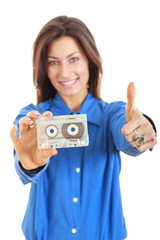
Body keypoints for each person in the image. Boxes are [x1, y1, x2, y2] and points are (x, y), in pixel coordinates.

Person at [10, 16, 157, 240]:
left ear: (90, 60)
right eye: (53, 62)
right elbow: (24, 152)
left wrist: (141, 131)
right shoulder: (32, 118)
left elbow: (127, 130)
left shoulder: (111, 114)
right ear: (44, 68)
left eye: (73, 59)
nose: (65, 73)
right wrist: (29, 165)